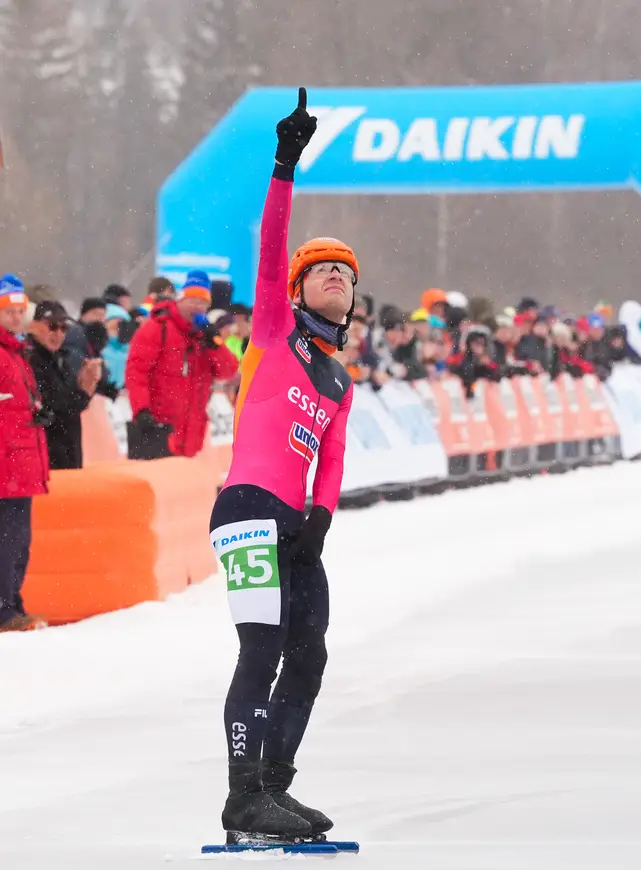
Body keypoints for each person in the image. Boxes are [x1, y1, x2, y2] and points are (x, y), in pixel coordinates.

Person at [209, 88, 355, 842]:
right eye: (322, 270)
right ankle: (240, 797)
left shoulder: (340, 379)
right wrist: (284, 165)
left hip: (296, 521)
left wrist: (322, 516)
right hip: (244, 506)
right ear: (297, 290)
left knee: (310, 652)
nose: (337, 276)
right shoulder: (271, 330)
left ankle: (272, 786)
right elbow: (271, 247)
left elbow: (328, 459)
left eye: (346, 274)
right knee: (261, 647)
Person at [125, 270, 239, 459]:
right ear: (180, 300)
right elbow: (136, 372)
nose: (196, 307)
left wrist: (215, 344)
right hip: (159, 428)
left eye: (202, 303)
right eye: (192, 301)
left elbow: (228, 371)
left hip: (191, 434)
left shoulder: (205, 337)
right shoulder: (157, 328)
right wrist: (141, 410)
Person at [0, 275, 49, 631]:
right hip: (7, 465)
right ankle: (5, 611)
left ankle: (13, 606)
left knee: (19, 544)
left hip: (22, 463)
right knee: (8, 543)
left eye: (21, 311)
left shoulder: (17, 353)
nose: (17, 318)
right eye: (9, 311)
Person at [28, 301, 100, 470]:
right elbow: (53, 404)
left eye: (64, 328)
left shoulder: (60, 359)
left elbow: (73, 405)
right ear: (33, 326)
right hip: (47, 456)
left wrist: (86, 384)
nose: (59, 333)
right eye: (52, 326)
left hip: (67, 452)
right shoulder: (30, 359)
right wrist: (84, 389)